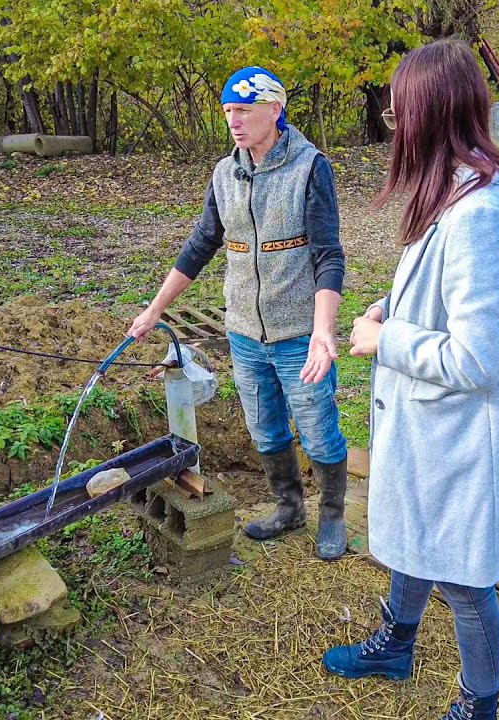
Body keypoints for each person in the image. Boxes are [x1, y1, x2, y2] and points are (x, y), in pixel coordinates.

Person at [319, 40, 499, 719]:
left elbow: (479, 358)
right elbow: (441, 292)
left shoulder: (481, 212)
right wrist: (389, 307)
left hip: (463, 439)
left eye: (399, 113)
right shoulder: (453, 187)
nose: (393, 127)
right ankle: (396, 643)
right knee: (415, 532)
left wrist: (385, 340)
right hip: (432, 429)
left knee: (465, 580)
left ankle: (479, 705)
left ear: (431, 113)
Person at [128, 66, 350, 560]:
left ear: (275, 109)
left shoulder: (310, 168)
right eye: (229, 111)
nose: (234, 121)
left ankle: (333, 514)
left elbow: (328, 256)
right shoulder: (224, 174)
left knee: (317, 428)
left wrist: (322, 331)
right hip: (245, 334)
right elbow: (201, 244)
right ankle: (288, 509)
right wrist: (154, 310)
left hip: (298, 333)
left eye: (245, 110)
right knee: (265, 428)